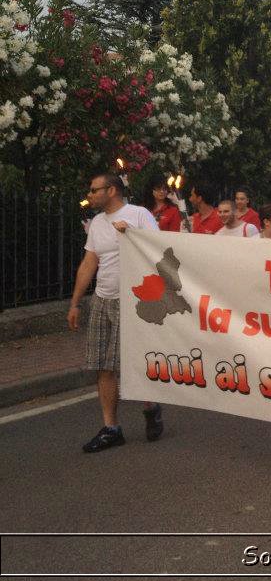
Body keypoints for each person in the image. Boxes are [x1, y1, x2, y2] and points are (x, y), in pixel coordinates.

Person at [67, 173, 164, 452]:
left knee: (128, 362)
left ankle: (151, 404)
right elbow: (89, 262)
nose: (91, 194)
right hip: (102, 299)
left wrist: (131, 235)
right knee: (102, 365)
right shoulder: (97, 223)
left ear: (111, 190)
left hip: (131, 299)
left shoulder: (138, 214)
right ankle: (111, 428)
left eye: (94, 189)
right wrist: (75, 303)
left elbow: (159, 250)